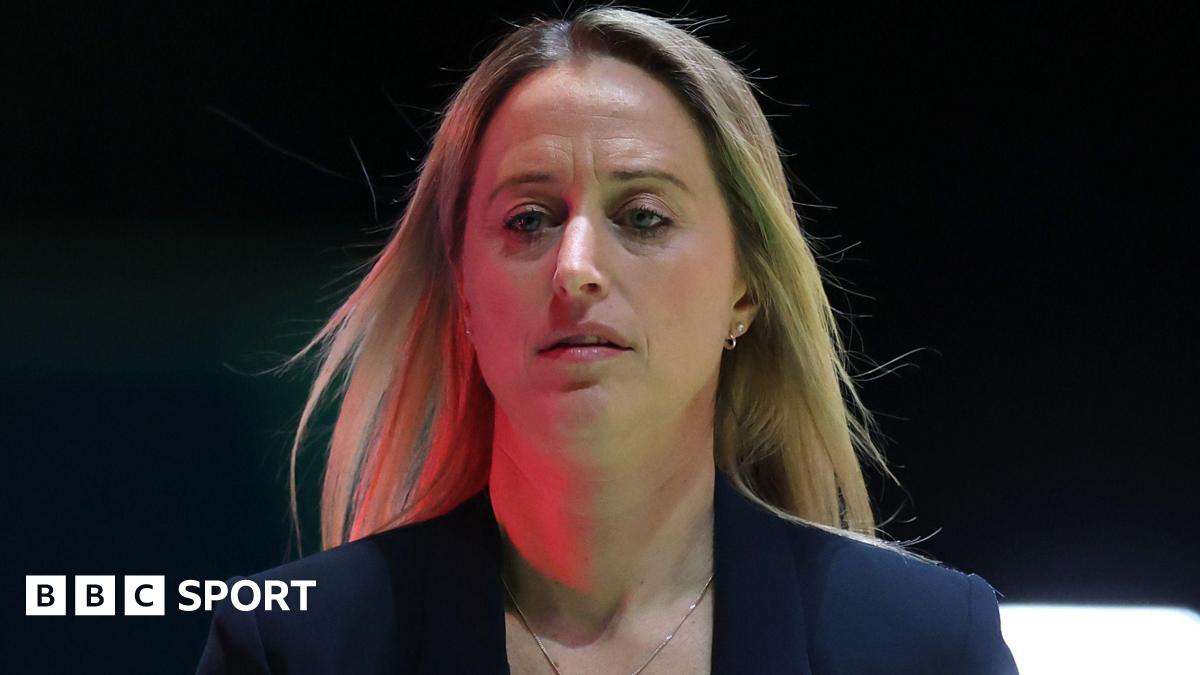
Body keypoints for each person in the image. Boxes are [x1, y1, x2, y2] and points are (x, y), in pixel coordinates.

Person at [196, 6, 1018, 674]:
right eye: (529, 220)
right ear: (464, 293)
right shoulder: (291, 648)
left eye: (643, 217)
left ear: (745, 287)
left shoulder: (926, 645)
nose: (576, 268)